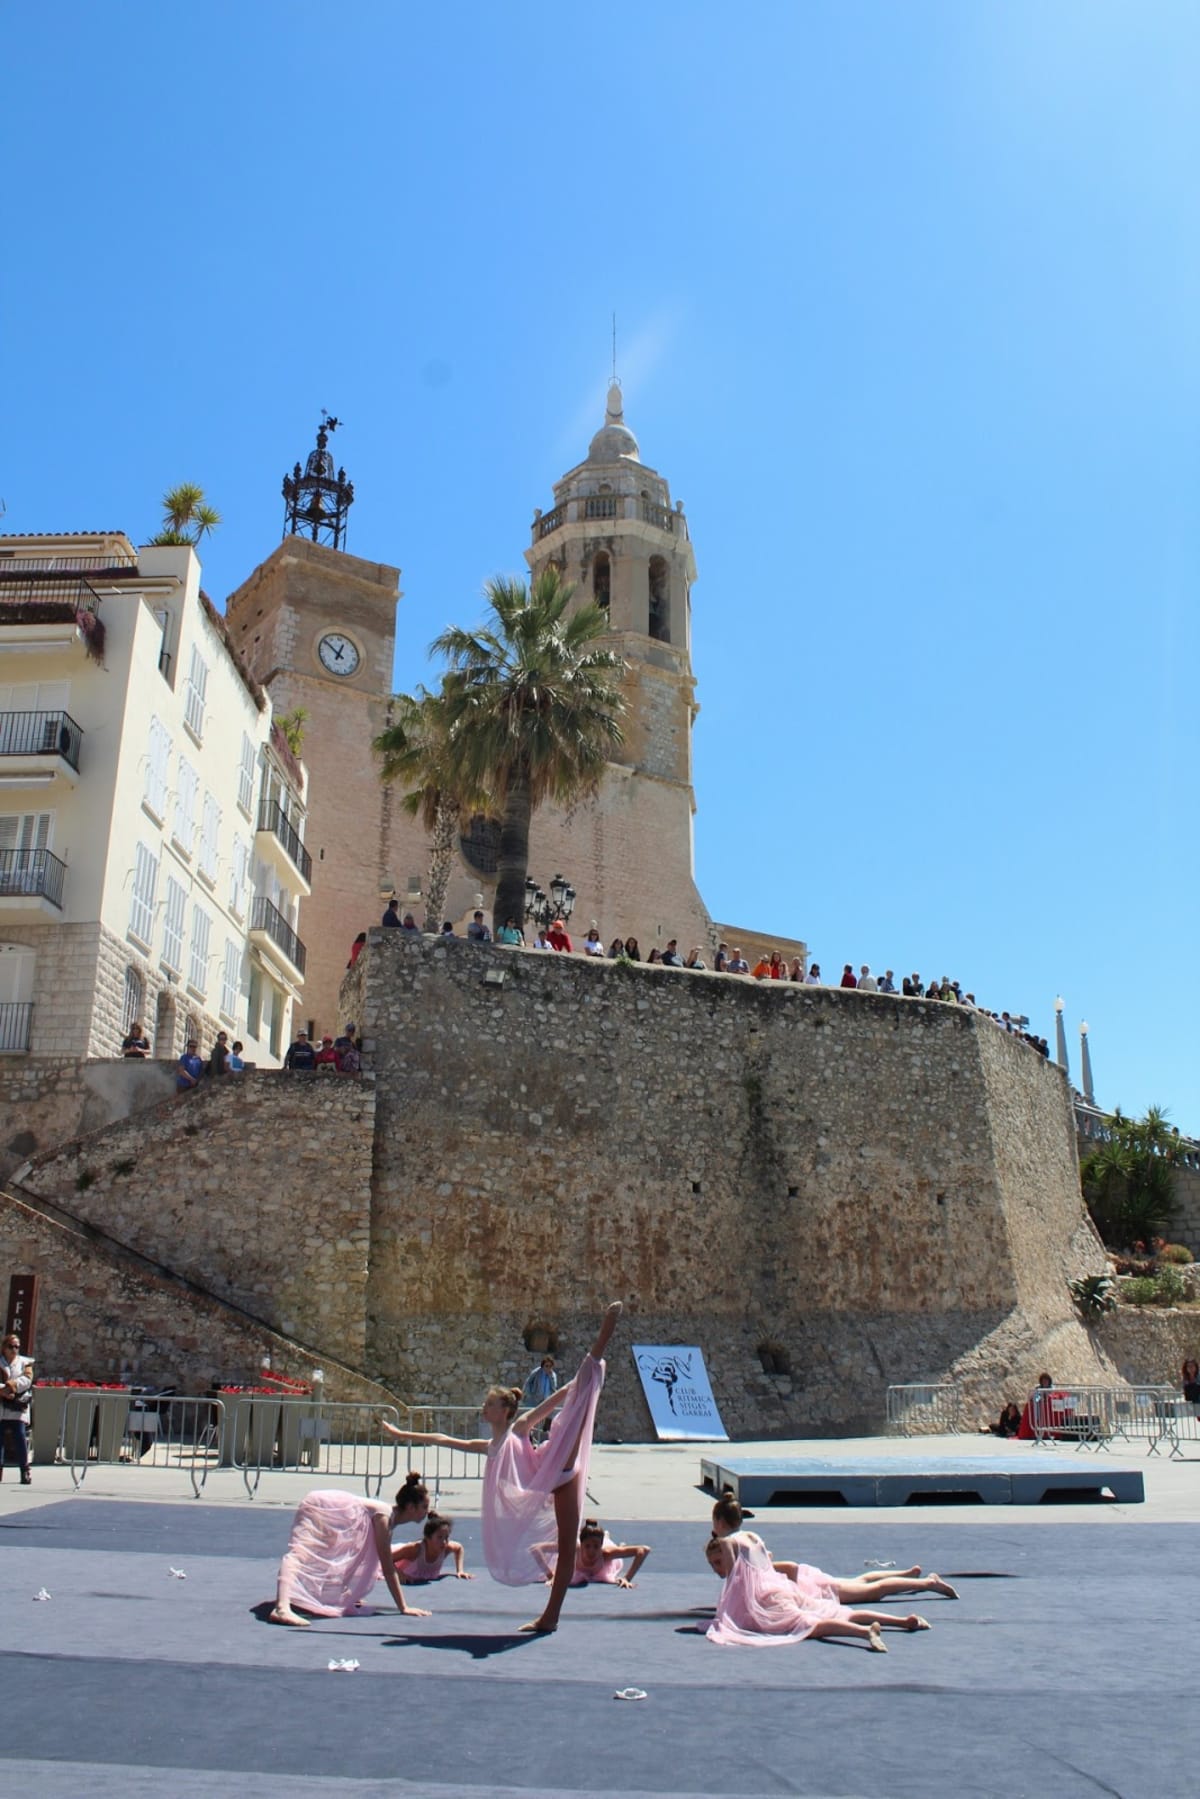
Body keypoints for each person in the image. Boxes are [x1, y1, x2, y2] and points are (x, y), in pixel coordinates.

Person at [382, 1300, 623, 1634]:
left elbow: (556, 1399)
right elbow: (441, 1438)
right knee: (568, 1548)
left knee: (571, 1420)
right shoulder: (489, 1447)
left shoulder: (520, 1427)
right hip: (546, 1482)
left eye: (489, 1404)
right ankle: (549, 1618)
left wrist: (579, 1386)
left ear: (505, 1411)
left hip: (556, 1467)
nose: (484, 1408)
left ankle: (599, 1347)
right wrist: (402, 1434)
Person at [709, 1491, 957, 1604]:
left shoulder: (732, 1543)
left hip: (807, 1585)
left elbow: (771, 1569)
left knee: (871, 1591)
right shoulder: (750, 1536)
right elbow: (769, 1562)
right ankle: (908, 1575)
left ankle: (928, 1583)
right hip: (804, 1578)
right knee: (860, 1581)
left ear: (720, 1522)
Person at [704, 1533, 930, 1651]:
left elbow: (733, 1575)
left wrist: (725, 1611)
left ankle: (864, 1632)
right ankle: (901, 1621)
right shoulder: (751, 1540)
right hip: (784, 1589)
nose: (716, 1569)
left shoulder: (731, 1547)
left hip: (774, 1599)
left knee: (812, 1625)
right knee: (840, 1611)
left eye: (717, 1562)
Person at [269, 1470, 433, 1627]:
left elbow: (357, 1555)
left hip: (328, 1506)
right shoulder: (384, 1517)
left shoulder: (386, 1517)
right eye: (424, 1507)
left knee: (319, 1554)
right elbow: (388, 1567)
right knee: (302, 1554)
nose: (427, 1512)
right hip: (325, 1507)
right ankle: (281, 1608)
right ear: (411, 1507)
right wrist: (404, 1607)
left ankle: (289, 1601)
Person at [534, 1518, 652, 1588]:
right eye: (587, 1547)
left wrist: (627, 1578)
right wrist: (550, 1575)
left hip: (606, 1560)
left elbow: (644, 1550)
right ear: (582, 1545)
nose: (591, 1552)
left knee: (614, 1549)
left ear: (600, 1546)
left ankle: (610, 1540)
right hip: (579, 1552)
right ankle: (605, 1538)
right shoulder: (575, 1548)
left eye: (596, 1547)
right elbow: (536, 1549)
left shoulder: (606, 1553)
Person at [391, 1512, 473, 1583]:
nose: (444, 1542)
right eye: (439, 1537)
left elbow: (459, 1548)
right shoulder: (415, 1549)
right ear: (428, 1537)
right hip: (390, 1554)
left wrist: (460, 1570)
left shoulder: (446, 1547)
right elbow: (388, 1559)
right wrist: (400, 1574)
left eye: (447, 1537)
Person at [0, 1331, 34, 1485]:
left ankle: (24, 1471)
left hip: (17, 1407)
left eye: (17, 1347)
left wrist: (11, 1387)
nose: (14, 1349)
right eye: (11, 1346)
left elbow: (27, 1379)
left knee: (20, 1439)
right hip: (1, 1407)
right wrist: (3, 1391)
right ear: (4, 1347)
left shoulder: (25, 1363)